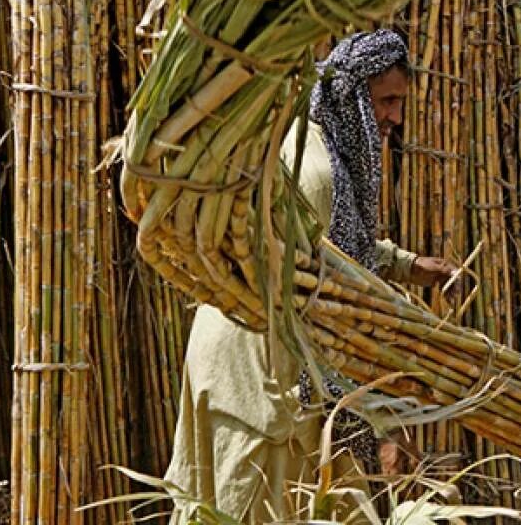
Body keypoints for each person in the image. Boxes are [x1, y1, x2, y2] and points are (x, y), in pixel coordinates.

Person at [165, 29, 453, 524]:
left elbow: (327, 247)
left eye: (400, 103)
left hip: (263, 368)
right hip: (258, 377)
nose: (395, 119)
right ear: (352, 94)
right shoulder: (313, 168)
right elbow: (329, 291)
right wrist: (381, 423)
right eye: (386, 101)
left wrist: (406, 266)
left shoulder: (317, 147)